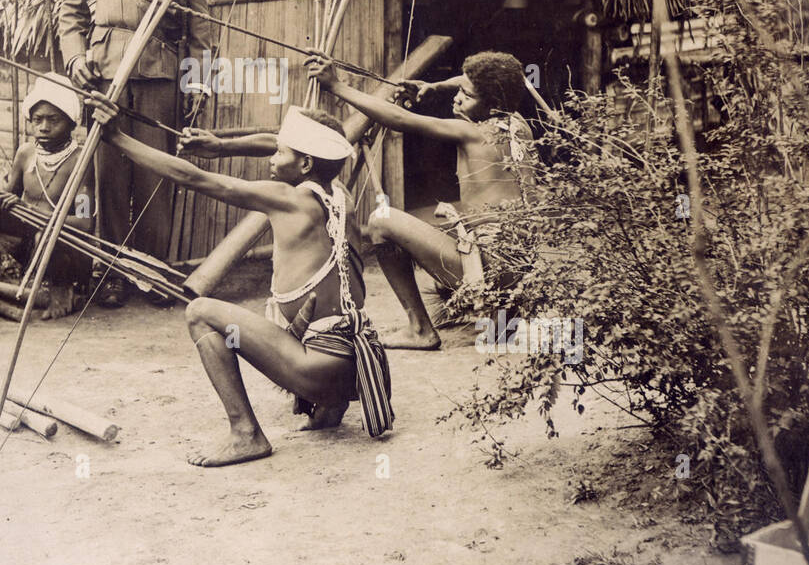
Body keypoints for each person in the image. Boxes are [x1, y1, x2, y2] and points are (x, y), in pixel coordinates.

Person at [90, 95, 393, 466]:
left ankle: (245, 434)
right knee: (314, 320)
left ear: (305, 163)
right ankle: (330, 407)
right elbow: (276, 141)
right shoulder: (340, 195)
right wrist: (222, 147)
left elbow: (191, 176)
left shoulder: (286, 198)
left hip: (315, 369)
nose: (270, 157)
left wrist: (117, 138)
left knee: (200, 312)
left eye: (279, 153)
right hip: (357, 371)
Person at [58, 0, 213, 305]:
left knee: (155, 174)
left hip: (158, 71)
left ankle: (152, 274)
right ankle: (109, 276)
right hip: (105, 73)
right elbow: (69, 10)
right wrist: (75, 58)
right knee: (108, 174)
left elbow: (201, 24)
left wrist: (198, 84)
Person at [305, 51, 534, 351]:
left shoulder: (471, 131)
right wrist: (436, 86)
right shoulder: (519, 126)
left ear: (492, 104)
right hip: (519, 273)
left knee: (381, 221)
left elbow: (400, 119)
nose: (458, 98)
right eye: (459, 90)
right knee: (460, 231)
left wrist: (336, 86)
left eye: (467, 95)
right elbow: (469, 83)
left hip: (489, 272)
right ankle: (503, 321)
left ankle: (420, 330)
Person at [0, 76, 93, 327]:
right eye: (37, 119)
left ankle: (62, 288)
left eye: (54, 120)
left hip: (64, 252)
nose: (43, 127)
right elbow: (10, 198)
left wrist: (31, 212)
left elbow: (84, 224)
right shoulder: (25, 153)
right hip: (29, 246)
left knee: (44, 235)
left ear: (72, 122)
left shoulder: (81, 160)